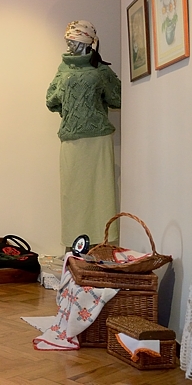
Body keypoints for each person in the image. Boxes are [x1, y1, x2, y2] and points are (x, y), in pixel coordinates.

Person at [46, 21, 121, 247]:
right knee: (72, 195)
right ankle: (75, 245)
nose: (70, 45)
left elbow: (117, 98)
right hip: (71, 140)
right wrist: (70, 105)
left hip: (98, 140)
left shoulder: (101, 70)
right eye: (68, 41)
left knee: (101, 193)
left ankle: (102, 245)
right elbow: (51, 100)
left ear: (88, 42)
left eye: (75, 41)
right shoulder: (63, 69)